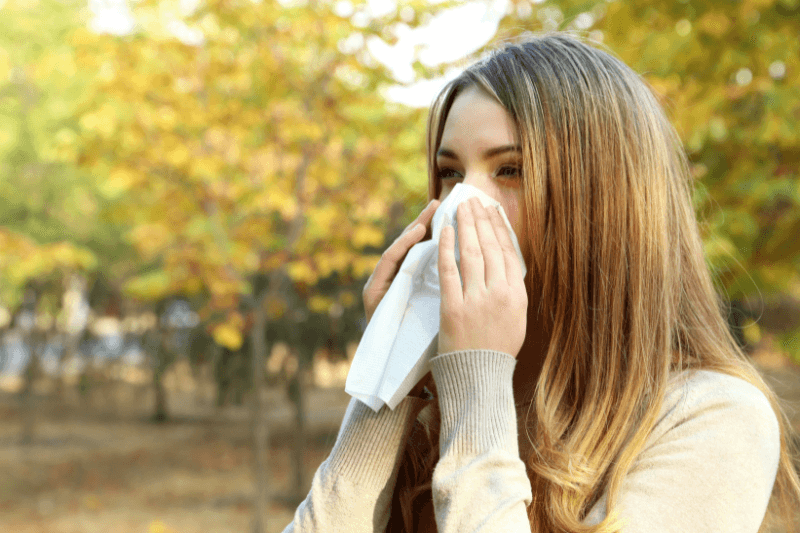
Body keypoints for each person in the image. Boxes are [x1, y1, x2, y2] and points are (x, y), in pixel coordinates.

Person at [282, 32, 800, 532]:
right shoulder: (437, 402)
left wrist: (477, 374)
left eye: (510, 170)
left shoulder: (713, 417)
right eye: (452, 174)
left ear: (605, 202)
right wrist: (393, 368)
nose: (462, 206)